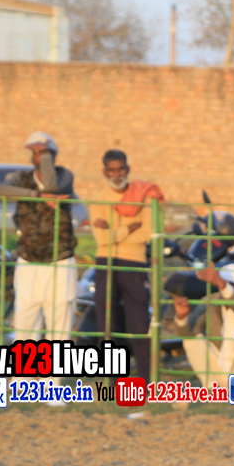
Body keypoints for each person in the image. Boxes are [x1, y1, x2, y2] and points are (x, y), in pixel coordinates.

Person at [0, 131, 78, 347]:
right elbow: (0, 190)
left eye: (45, 152)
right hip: (29, 260)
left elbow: (52, 187)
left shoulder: (64, 176)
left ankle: (54, 370)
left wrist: (46, 157)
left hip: (60, 261)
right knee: (25, 324)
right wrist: (37, 196)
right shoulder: (21, 178)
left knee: (59, 328)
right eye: (36, 152)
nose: (40, 156)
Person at [88, 149, 163, 380]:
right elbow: (100, 239)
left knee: (140, 325)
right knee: (108, 326)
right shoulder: (98, 199)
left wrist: (112, 231)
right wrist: (129, 227)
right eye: (112, 170)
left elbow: (147, 232)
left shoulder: (144, 196)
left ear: (127, 169)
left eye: (120, 169)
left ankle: (147, 381)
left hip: (134, 263)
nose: (117, 174)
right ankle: (112, 382)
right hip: (105, 263)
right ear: (104, 172)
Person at [171, 263, 234, 393]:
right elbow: (189, 333)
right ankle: (211, 389)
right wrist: (182, 317)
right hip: (220, 367)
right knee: (191, 340)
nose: (224, 290)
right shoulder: (211, 301)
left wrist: (222, 284)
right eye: (221, 285)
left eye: (230, 285)